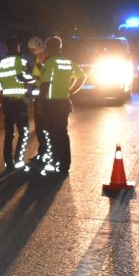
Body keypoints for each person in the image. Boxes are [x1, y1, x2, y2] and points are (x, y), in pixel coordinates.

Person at [37, 36, 86, 175]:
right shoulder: (69, 62)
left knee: (52, 133)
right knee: (62, 133)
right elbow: (82, 77)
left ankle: (55, 161)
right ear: (60, 47)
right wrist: (71, 91)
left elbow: (45, 84)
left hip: (51, 103)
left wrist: (40, 103)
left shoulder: (49, 62)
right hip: (64, 102)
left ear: (48, 48)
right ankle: (65, 164)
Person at [0, 36, 33, 170]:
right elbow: (27, 78)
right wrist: (33, 79)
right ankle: (18, 159)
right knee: (23, 131)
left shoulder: (0, 64)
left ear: (6, 47)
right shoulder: (22, 61)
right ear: (18, 46)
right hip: (19, 101)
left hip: (6, 101)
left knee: (9, 132)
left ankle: (8, 161)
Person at [27, 36, 49, 167]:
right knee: (40, 128)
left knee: (44, 128)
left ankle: (46, 155)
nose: (31, 51)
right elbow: (36, 76)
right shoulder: (38, 59)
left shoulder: (47, 59)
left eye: (33, 49)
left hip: (46, 97)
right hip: (41, 95)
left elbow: (44, 78)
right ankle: (43, 153)